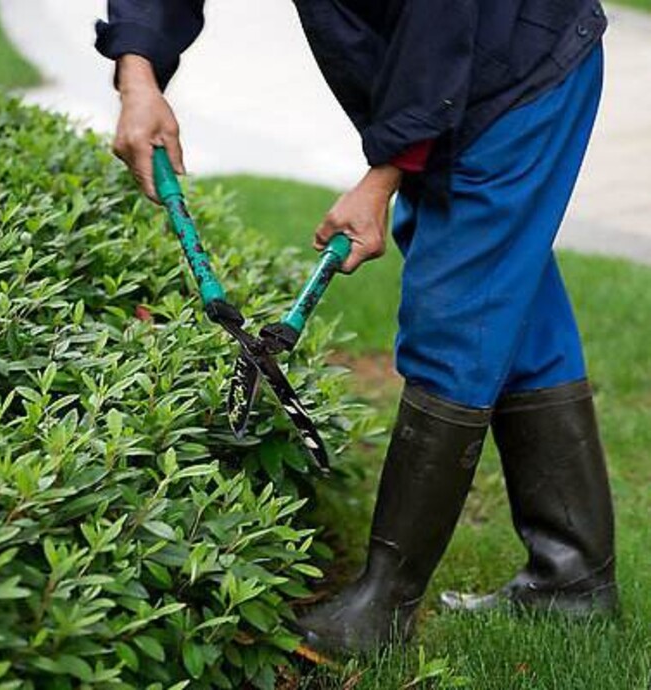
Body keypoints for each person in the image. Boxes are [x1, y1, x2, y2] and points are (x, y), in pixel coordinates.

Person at [95, 0, 618, 655]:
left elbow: (444, 23)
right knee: (512, 307)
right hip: (456, 81)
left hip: (514, 67)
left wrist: (384, 176)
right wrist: (138, 76)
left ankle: (382, 607)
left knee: (456, 313)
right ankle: (572, 583)